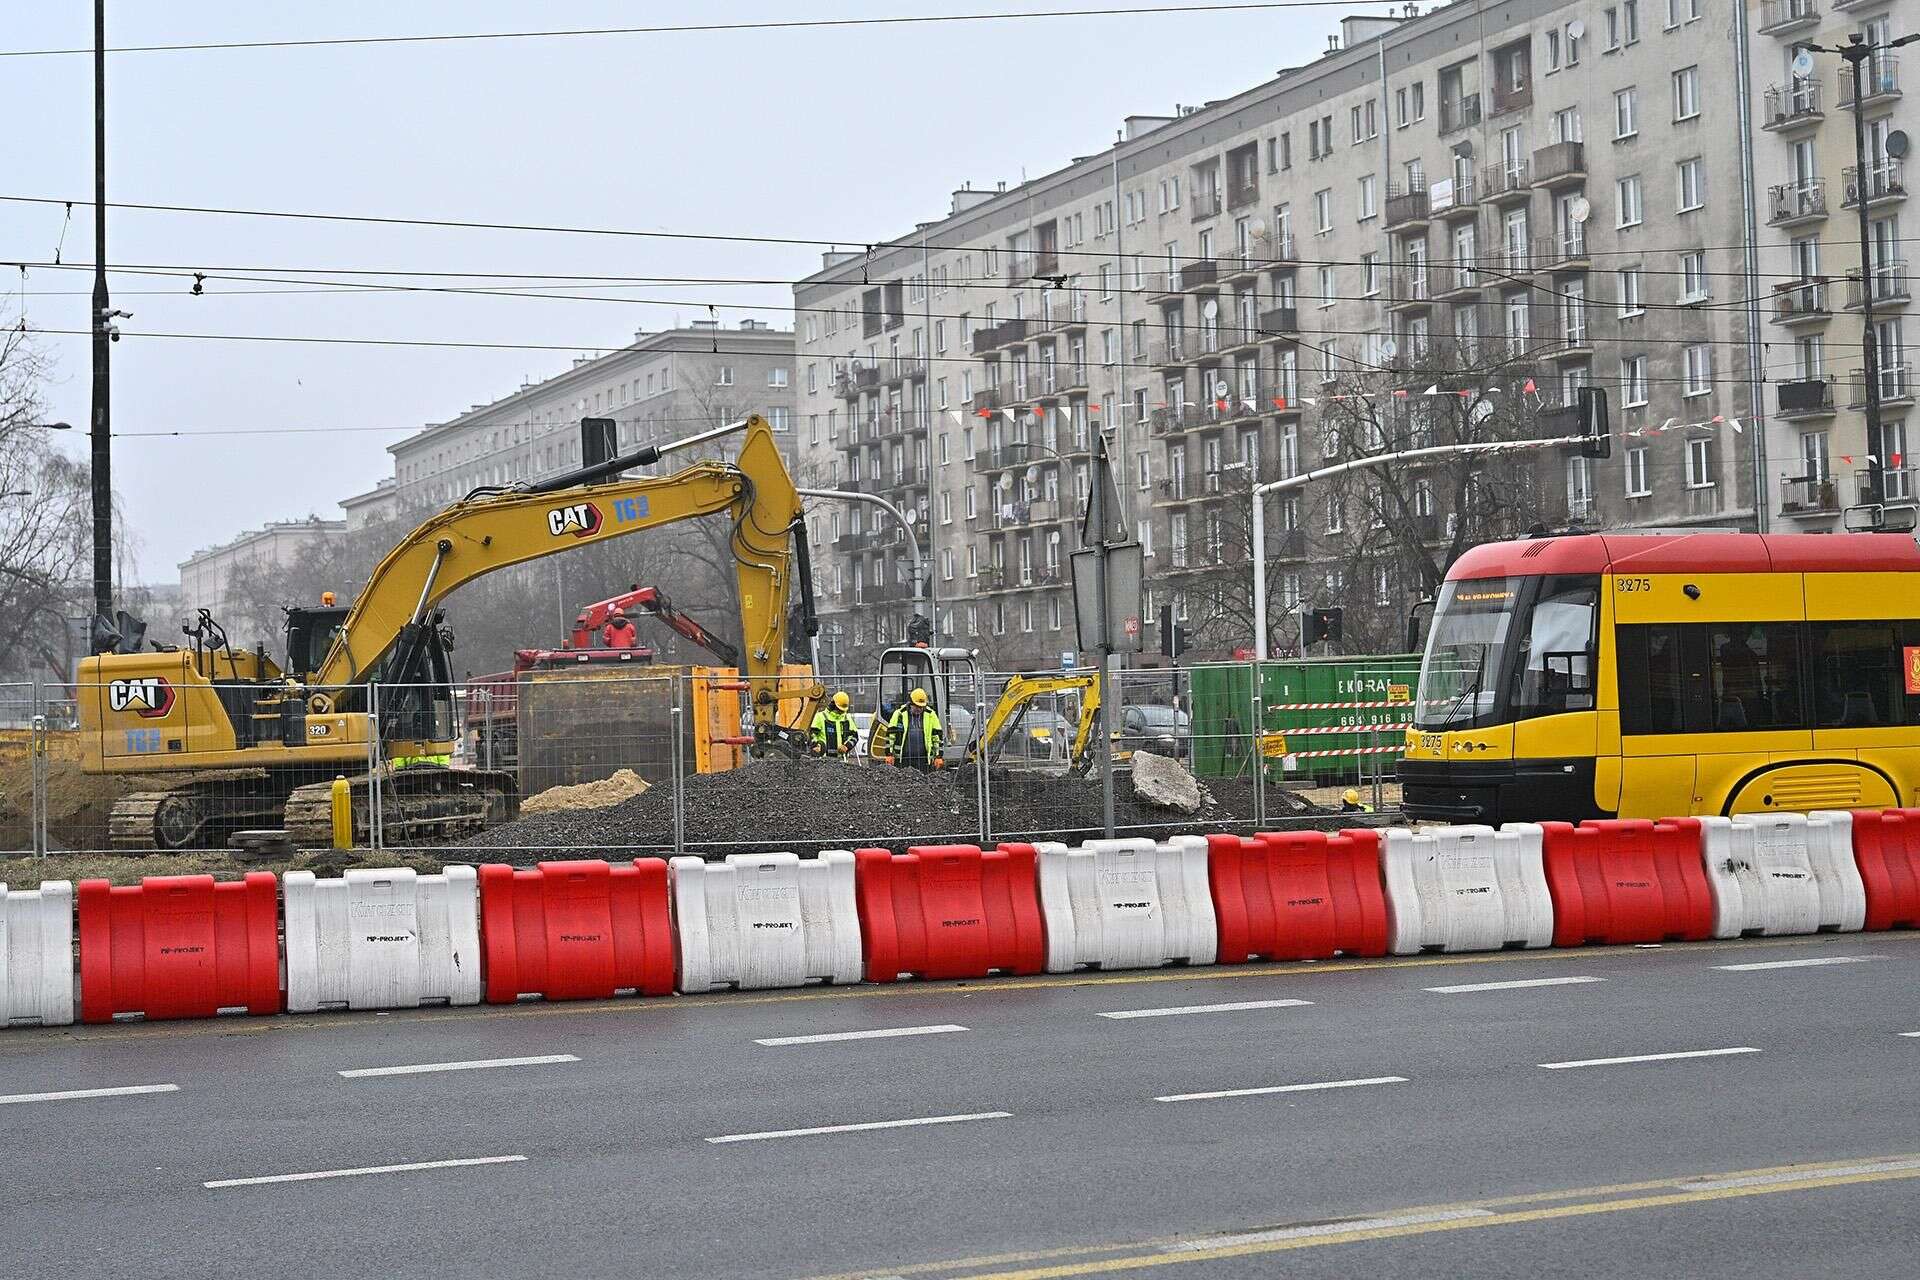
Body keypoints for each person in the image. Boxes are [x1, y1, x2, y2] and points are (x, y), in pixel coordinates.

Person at [883, 687, 945, 771]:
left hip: (924, 760)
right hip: (902, 759)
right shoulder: (899, 714)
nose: (919, 709)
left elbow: (937, 736)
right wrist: (889, 754)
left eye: (921, 707)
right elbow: (890, 735)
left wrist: (938, 756)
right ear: (911, 703)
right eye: (917, 706)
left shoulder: (931, 714)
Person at [810, 690, 858, 758]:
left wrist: (846, 746)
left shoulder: (847, 719)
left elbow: (854, 736)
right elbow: (812, 734)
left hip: (842, 761)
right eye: (839, 710)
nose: (841, 712)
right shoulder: (821, 717)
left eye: (842, 710)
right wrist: (816, 745)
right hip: (823, 760)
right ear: (833, 705)